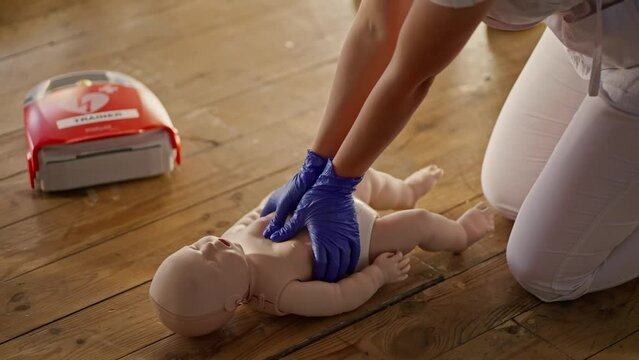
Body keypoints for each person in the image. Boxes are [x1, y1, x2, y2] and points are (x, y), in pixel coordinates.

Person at [261, 0, 639, 301]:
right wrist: (318, 161)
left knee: (547, 275)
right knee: (509, 193)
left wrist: (338, 183)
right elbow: (376, 27)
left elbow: (412, 75)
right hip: (590, 33)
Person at [149, 165, 494, 337]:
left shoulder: (230, 241)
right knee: (418, 223)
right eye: (210, 260)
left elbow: (258, 212)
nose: (210, 244)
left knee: (361, 174)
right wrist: (376, 275)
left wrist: (284, 193)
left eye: (196, 245)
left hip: (323, 205)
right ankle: (461, 233)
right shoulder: (279, 294)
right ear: (232, 301)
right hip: (361, 241)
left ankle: (403, 191)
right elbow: (338, 297)